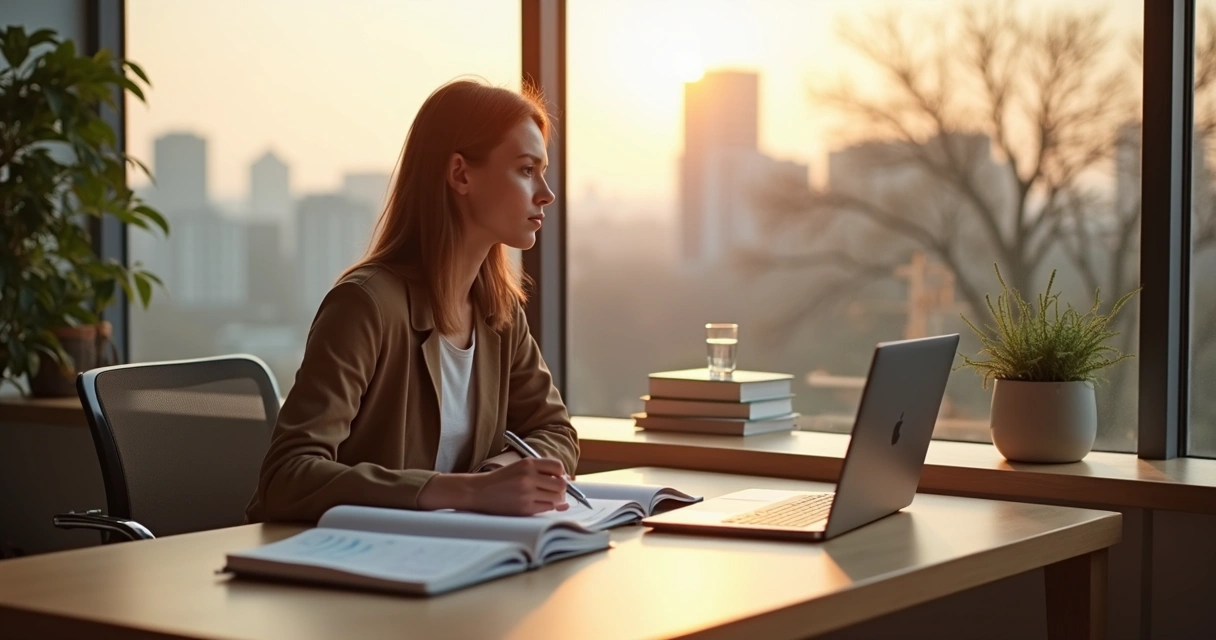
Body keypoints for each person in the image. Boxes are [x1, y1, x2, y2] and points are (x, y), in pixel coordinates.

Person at [246, 79, 577, 523]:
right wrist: (467, 492)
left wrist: (499, 474)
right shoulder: (364, 306)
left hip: (447, 559)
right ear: (460, 174)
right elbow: (287, 477)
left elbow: (555, 430)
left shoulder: (498, 312)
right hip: (341, 569)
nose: (546, 193)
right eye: (525, 170)